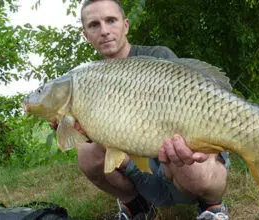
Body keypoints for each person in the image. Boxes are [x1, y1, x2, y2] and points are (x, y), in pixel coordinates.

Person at [78, 0, 229, 219]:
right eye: (94, 25)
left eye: (111, 20)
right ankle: (137, 205)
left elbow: (198, 112)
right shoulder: (90, 79)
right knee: (86, 153)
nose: (104, 31)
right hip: (140, 170)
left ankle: (211, 205)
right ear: (86, 34)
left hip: (177, 165)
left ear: (126, 25)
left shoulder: (159, 57)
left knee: (183, 149)